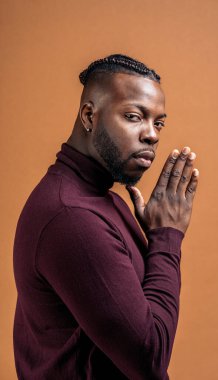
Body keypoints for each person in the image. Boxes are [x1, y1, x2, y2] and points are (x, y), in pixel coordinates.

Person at [13, 54, 199, 380]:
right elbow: (148, 360)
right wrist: (166, 236)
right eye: (133, 116)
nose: (152, 135)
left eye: (158, 123)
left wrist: (158, 235)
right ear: (89, 115)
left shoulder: (102, 200)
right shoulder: (73, 217)